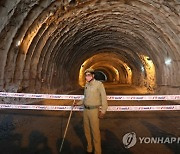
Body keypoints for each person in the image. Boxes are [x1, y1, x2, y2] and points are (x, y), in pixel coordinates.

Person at [75, 68, 108, 154]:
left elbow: (104, 98)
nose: (87, 77)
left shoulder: (99, 85)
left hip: (94, 110)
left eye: (89, 75)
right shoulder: (86, 85)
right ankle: (89, 148)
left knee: (95, 131)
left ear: (93, 75)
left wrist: (103, 111)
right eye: (86, 75)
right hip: (86, 110)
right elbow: (85, 98)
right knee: (87, 130)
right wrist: (78, 103)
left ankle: (97, 151)